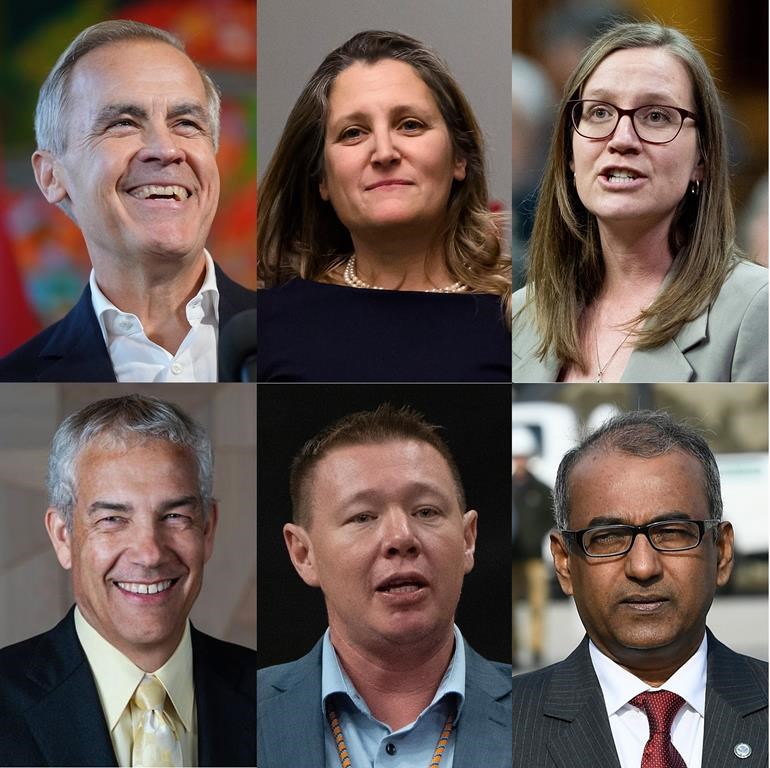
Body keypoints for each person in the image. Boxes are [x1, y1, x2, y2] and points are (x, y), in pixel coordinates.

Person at [0, 394, 256, 766]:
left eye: (174, 516)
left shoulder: (267, 695)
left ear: (208, 529)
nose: (149, 553)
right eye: (112, 520)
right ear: (63, 536)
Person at [0, 20, 256, 383]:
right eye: (123, 123)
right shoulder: (14, 384)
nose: (166, 150)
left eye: (186, 123)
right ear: (51, 177)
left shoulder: (305, 340)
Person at [512, 22, 768, 382]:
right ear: (570, 154)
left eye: (656, 116)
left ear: (702, 159)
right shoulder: (522, 314)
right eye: (599, 112)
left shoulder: (756, 309)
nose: (622, 139)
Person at [258, 404, 512, 766]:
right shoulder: (243, 713)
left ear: (468, 539)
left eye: (426, 511)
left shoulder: (536, 711)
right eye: (362, 517)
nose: (401, 537)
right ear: (303, 554)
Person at [511, 410, 768, 767]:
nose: (643, 567)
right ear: (564, 563)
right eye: (608, 538)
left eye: (673, 532)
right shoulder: (506, 727)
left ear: (722, 553)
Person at [257, 30, 511, 382]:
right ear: (322, 180)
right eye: (353, 133)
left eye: (410, 125)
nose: (384, 153)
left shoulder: (519, 318)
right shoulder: (263, 324)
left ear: (459, 157)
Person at [511, 427, 553, 668]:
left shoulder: (539, 488)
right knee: (513, 607)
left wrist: (539, 536)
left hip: (534, 557)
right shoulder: (510, 488)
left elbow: (552, 516)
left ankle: (537, 649)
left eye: (523, 456)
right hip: (513, 557)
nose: (520, 462)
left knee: (538, 605)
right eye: (517, 457)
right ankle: (515, 651)